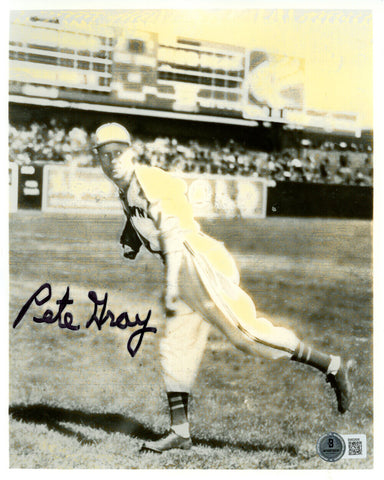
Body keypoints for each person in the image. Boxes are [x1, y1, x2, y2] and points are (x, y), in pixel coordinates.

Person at [93, 123, 354, 453]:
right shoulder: (126, 187)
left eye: (118, 152)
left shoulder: (147, 178)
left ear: (131, 152)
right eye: (105, 155)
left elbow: (173, 232)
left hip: (198, 261)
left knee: (247, 335)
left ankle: (331, 365)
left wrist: (172, 285)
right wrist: (130, 237)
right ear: (98, 159)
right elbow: (141, 215)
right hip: (183, 268)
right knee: (175, 349)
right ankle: (180, 433)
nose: (112, 160)